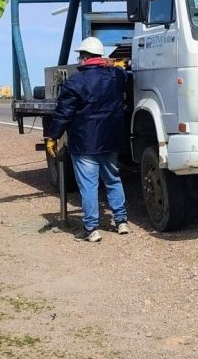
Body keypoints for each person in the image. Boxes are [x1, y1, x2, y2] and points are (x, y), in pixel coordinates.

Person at [44, 37, 129, 242]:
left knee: (89, 185)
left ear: (83, 57)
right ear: (100, 56)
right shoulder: (116, 76)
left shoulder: (75, 81)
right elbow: (123, 72)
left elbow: (63, 113)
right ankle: (121, 221)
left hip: (84, 143)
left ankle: (91, 228)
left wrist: (52, 136)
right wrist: (115, 64)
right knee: (113, 179)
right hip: (110, 139)